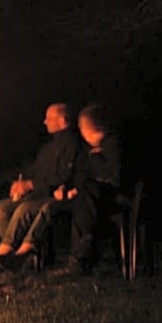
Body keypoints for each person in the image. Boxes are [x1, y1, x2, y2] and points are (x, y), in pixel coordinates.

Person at [0, 102, 80, 271]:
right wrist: (15, 181)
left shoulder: (72, 145)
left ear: (63, 121)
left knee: (6, 212)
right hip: (34, 193)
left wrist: (31, 184)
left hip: (46, 195)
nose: (45, 121)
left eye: (49, 118)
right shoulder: (47, 148)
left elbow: (62, 177)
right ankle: (18, 256)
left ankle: (5, 256)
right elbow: (35, 171)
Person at [43, 103, 123, 276]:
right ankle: (81, 255)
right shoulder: (91, 150)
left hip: (117, 200)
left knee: (86, 194)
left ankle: (80, 259)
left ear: (88, 128)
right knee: (83, 194)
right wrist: (70, 188)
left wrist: (84, 183)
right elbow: (83, 174)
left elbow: (114, 178)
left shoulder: (112, 146)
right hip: (96, 200)